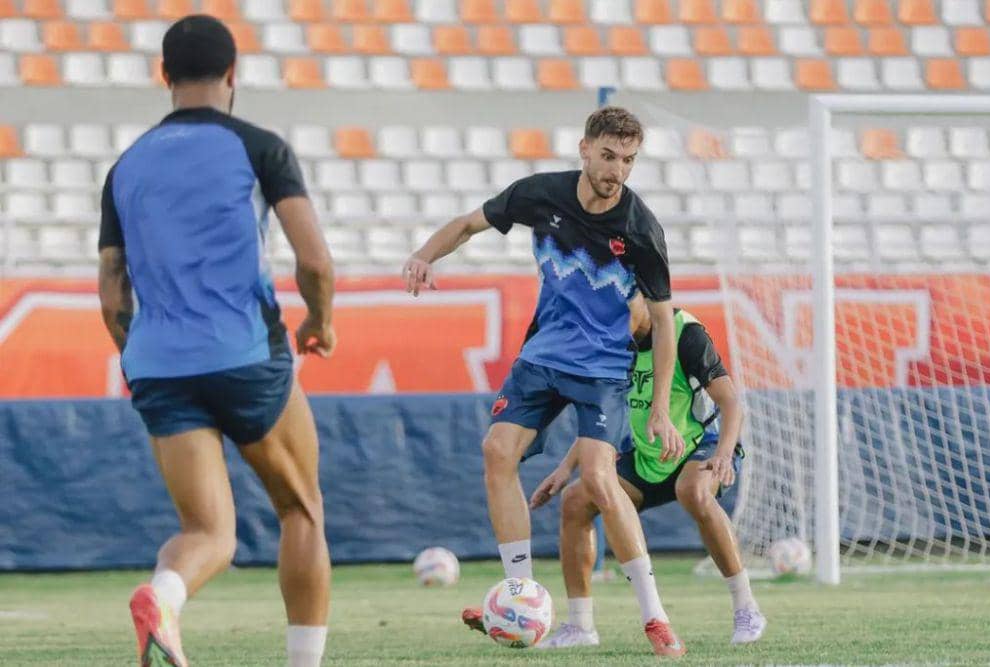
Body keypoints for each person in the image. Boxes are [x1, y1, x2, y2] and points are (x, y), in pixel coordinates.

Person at [403, 107, 688, 656]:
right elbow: (467, 224)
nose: (617, 171)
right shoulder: (540, 195)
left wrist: (655, 408)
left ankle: (654, 616)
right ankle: (520, 591)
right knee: (496, 451)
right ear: (584, 149)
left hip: (604, 368)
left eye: (628, 160)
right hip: (544, 356)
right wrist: (423, 255)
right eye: (608, 156)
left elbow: (664, 323)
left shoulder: (642, 231)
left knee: (601, 482)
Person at [97, 15, 335, 667]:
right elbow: (313, 260)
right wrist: (321, 321)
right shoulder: (258, 146)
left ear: (164, 76)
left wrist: (139, 351)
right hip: (245, 356)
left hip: (157, 365)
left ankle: (164, 595)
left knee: (208, 531)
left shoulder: (125, 166)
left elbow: (113, 293)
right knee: (301, 509)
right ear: (234, 74)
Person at [530, 294, 767, 648]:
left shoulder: (686, 332)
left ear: (642, 299)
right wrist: (565, 468)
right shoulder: (612, 346)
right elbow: (602, 420)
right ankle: (580, 626)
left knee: (694, 491)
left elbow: (731, 402)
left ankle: (746, 607)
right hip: (647, 455)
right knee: (576, 499)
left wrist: (723, 453)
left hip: (701, 444)